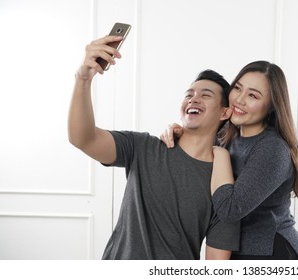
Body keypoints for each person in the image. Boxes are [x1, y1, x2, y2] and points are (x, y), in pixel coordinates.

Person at [67, 35, 239, 259]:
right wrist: (83, 79)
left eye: (205, 95)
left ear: (225, 112)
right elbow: (83, 139)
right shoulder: (142, 147)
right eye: (189, 95)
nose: (193, 99)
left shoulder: (223, 186)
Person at [162, 60, 298, 259]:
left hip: (269, 252)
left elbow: (229, 210)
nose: (239, 100)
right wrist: (180, 131)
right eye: (237, 88)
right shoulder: (226, 135)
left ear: (271, 106)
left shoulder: (272, 149)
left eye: (252, 95)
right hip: (231, 250)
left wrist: (221, 154)